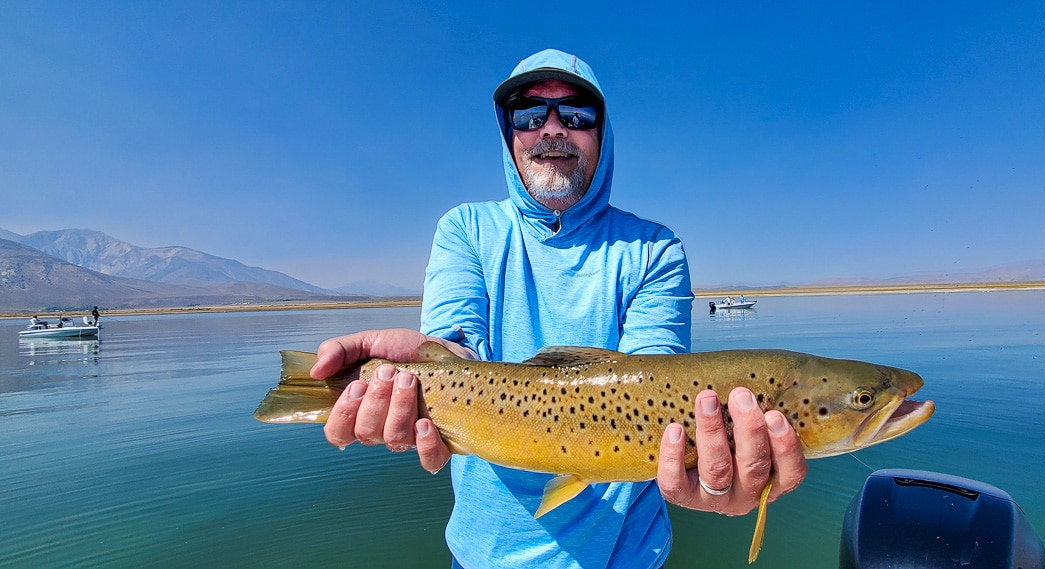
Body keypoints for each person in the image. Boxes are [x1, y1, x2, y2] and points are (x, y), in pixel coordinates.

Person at [311, 49, 807, 569]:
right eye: (529, 114)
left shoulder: (655, 249)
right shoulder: (466, 230)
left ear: (602, 133)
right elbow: (457, 349)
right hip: (482, 557)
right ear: (509, 134)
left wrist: (711, 475)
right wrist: (428, 361)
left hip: (629, 557)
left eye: (575, 115)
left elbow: (656, 381)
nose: (553, 130)